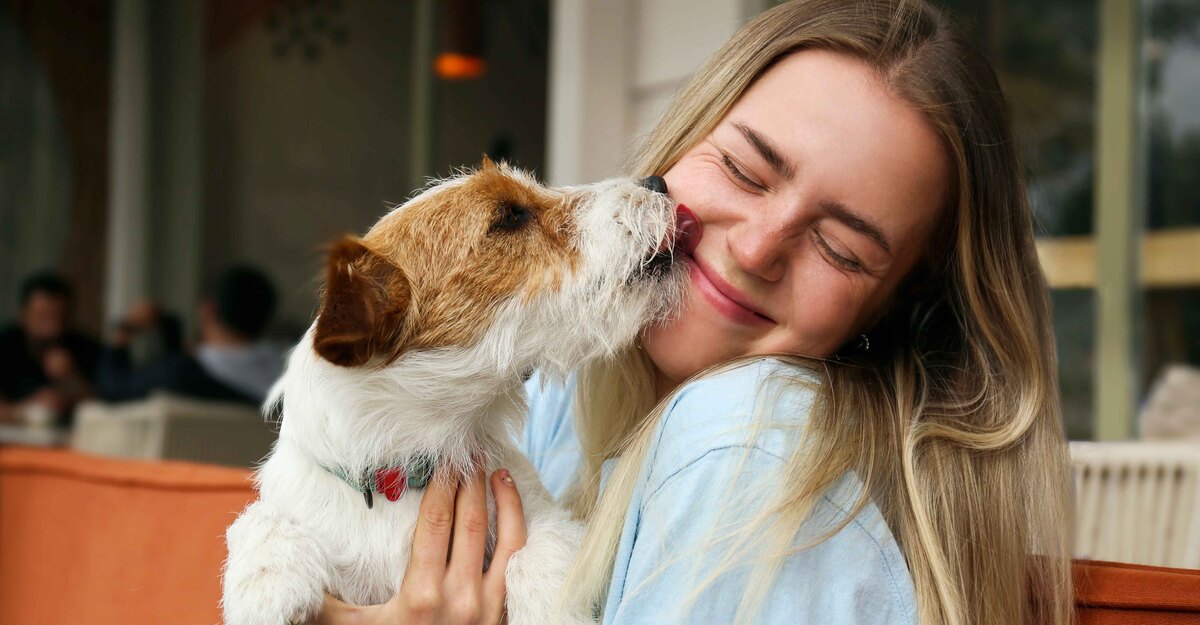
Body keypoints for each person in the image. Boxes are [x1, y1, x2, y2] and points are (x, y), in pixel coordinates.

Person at [315, 1, 1074, 624]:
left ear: (896, 310)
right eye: (743, 169)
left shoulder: (745, 441)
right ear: (684, 140)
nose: (757, 246)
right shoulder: (554, 397)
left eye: (842, 248)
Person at [97, 266, 284, 405]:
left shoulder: (181, 373)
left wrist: (124, 330)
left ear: (208, 310)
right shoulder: (287, 373)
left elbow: (113, 388)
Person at [0, 272, 101, 425]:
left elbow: (104, 407)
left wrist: (71, 380)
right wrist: (28, 410)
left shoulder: (86, 347)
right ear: (24, 315)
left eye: (60, 317)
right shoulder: (6, 345)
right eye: (43, 317)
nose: (53, 328)